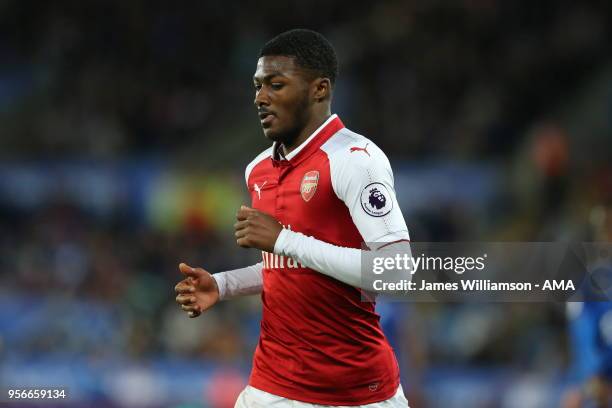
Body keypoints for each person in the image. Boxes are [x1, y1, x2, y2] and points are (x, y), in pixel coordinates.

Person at [175, 29, 411, 407]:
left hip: (355, 391)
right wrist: (222, 284)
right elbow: (286, 266)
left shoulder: (355, 160)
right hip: (272, 386)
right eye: (257, 86)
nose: (260, 98)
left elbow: (397, 270)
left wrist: (284, 239)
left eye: (276, 85)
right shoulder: (258, 171)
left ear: (319, 89)